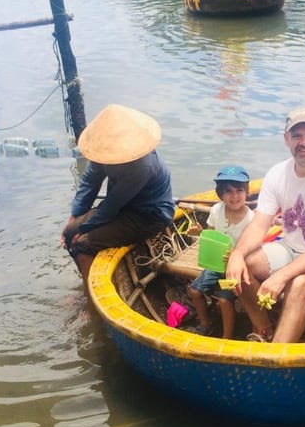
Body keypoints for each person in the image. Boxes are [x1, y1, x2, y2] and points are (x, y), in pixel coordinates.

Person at [225, 107, 305, 343]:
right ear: (287, 140)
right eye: (297, 136)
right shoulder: (277, 174)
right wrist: (237, 254)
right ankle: (264, 328)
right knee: (247, 263)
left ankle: (276, 356)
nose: (304, 142)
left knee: (299, 283)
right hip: (290, 247)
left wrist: (281, 276)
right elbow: (258, 225)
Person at [62, 104, 175, 285]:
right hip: (122, 207)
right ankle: (87, 278)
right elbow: (90, 182)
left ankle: (90, 295)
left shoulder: (141, 166)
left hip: (148, 216)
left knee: (82, 245)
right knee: (68, 233)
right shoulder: (104, 151)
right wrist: (75, 216)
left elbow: (112, 205)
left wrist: (84, 229)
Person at [187, 165, 254, 338]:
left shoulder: (251, 218)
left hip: (234, 271)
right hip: (215, 265)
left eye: (239, 190)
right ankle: (205, 324)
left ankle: (226, 336)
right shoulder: (217, 210)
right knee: (194, 291)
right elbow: (212, 236)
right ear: (221, 194)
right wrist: (200, 232)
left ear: (247, 193)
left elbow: (252, 248)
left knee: (224, 301)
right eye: (228, 191)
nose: (234, 196)